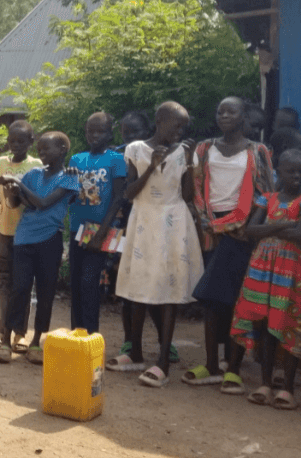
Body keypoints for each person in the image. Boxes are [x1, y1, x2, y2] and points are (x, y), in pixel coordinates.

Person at [183, 97, 275, 389]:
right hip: (209, 228)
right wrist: (208, 222)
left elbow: (266, 192)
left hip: (242, 231)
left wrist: (249, 226)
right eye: (220, 110)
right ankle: (212, 364)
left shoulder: (258, 151)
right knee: (212, 300)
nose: (223, 115)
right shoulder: (204, 148)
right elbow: (194, 188)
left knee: (235, 299)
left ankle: (232, 366)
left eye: (230, 111)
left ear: (243, 116)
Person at [112, 101, 203, 388]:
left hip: (173, 223)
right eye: (176, 124)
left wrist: (188, 162)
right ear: (160, 121)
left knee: (169, 290)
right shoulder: (136, 149)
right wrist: (151, 168)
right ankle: (135, 351)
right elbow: (129, 193)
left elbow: (188, 195)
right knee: (138, 285)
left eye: (184, 127)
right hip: (144, 220)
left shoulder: (186, 153)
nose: (181, 130)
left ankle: (163, 360)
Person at [221, 149, 301, 409]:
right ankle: (265, 383)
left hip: (290, 268)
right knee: (262, 321)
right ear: (279, 172)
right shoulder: (267, 197)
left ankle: (288, 388)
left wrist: (271, 228)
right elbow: (251, 230)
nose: (297, 175)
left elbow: (299, 235)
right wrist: (284, 225)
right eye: (291, 170)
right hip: (262, 267)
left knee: (287, 322)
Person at [0, 131, 79, 365]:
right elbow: (14, 203)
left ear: (62, 150)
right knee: (19, 289)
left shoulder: (68, 178)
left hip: (49, 241)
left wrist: (18, 183)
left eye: (46, 149)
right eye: (40, 150)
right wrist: (11, 191)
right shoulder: (33, 174)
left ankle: (36, 343)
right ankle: (5, 341)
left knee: (45, 293)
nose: (41, 153)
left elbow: (42, 203)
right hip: (24, 239)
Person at [111, 111, 170, 361]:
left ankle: (164, 340)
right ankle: (129, 341)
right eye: (125, 132)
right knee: (128, 286)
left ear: (146, 132)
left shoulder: (157, 153)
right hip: (123, 226)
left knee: (155, 284)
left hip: (151, 224)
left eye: (134, 132)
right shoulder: (116, 156)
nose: (129, 137)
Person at [0, 120, 43, 361]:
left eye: (22, 141)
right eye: (12, 140)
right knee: (5, 282)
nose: (16, 145)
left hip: (28, 233)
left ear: (31, 142)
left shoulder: (37, 165)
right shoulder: (0, 163)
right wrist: (1, 199)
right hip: (6, 231)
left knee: (24, 284)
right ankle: (3, 333)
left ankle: (20, 333)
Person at [65, 113, 127, 334]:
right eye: (90, 131)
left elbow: (119, 197)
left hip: (102, 231)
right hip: (77, 229)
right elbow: (71, 194)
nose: (94, 135)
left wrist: (102, 232)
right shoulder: (77, 159)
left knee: (90, 284)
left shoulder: (116, 160)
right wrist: (68, 179)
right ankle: (76, 334)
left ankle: (91, 335)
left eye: (100, 131)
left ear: (110, 133)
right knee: (77, 285)